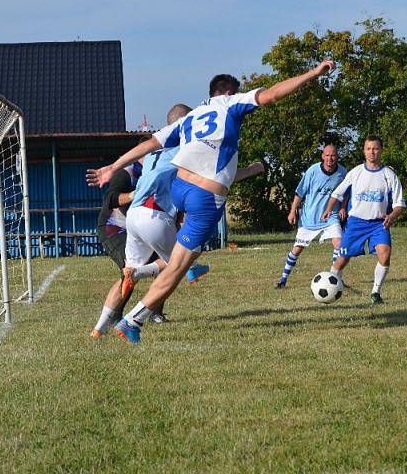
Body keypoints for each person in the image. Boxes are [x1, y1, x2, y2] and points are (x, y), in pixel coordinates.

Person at [87, 60, 336, 343]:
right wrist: (313, 73)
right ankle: (134, 319)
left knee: (179, 258)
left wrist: (113, 166)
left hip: (180, 188)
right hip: (205, 197)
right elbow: (273, 94)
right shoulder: (231, 103)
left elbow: (148, 145)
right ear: (228, 92)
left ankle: (133, 294)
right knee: (179, 267)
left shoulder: (190, 117)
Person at [320, 135, 406, 304]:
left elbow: (399, 204)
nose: (372, 152)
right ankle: (329, 286)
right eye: (368, 148)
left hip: (379, 223)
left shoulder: (389, 175)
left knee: (385, 254)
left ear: (381, 150)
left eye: (375, 148)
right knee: (342, 259)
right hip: (356, 222)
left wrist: (392, 216)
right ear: (364, 151)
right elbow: (337, 193)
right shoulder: (356, 172)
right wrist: (329, 209)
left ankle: (376, 292)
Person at [276, 145, 347, 289]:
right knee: (297, 249)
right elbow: (300, 192)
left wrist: (344, 207)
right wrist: (292, 210)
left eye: (333, 155)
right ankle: (283, 279)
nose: (330, 158)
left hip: (330, 216)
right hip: (310, 217)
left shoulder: (342, 173)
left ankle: (335, 277)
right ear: (322, 156)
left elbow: (346, 192)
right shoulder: (313, 171)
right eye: (327, 155)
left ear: (337, 156)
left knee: (339, 244)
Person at [92, 167, 135, 337]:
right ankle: (106, 323)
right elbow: (110, 199)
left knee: (162, 265)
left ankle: (155, 313)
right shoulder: (127, 173)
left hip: (136, 229)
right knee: (130, 271)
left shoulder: (158, 170)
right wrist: (136, 194)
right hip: (113, 229)